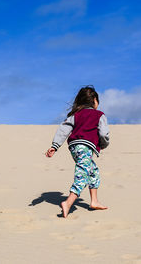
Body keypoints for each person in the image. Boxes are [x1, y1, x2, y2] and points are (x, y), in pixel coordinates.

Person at [45, 86, 110, 218]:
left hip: (74, 147)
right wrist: (103, 144)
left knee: (93, 172)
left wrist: (55, 146)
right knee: (82, 174)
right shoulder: (99, 115)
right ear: (94, 100)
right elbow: (103, 133)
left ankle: (94, 201)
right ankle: (68, 202)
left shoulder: (75, 115)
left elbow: (63, 129)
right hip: (85, 146)